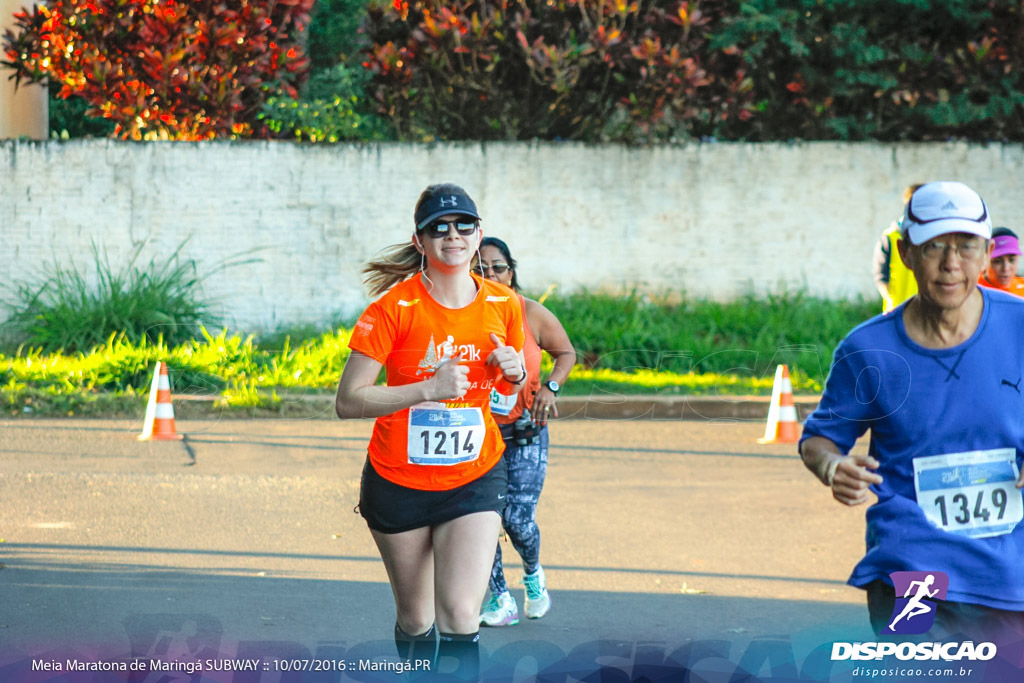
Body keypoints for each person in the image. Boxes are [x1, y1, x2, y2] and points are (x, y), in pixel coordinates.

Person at [800, 181, 1024, 639]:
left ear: (985, 256)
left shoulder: (1020, 325)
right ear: (905, 253)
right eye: (934, 247)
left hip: (1009, 572)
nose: (951, 264)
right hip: (911, 571)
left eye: (966, 248)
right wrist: (832, 466)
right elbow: (821, 440)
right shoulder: (867, 349)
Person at [335, 183, 527, 680]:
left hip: (474, 477)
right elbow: (348, 400)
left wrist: (518, 371)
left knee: (461, 615)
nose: (453, 235)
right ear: (420, 241)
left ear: (478, 233)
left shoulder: (504, 305)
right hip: (399, 481)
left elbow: (513, 380)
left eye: (464, 225)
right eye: (438, 228)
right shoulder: (392, 310)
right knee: (417, 618)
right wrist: (425, 389)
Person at [473, 237, 577, 627]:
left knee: (516, 518)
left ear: (511, 271)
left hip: (525, 434)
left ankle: (533, 577)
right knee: (478, 522)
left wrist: (551, 387)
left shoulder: (531, 314)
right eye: (479, 268)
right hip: (479, 437)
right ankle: (500, 599)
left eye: (496, 267)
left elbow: (566, 353)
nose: (488, 274)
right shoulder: (464, 314)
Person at [872, 183, 924, 313]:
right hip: (897, 311)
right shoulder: (890, 237)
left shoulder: (932, 237)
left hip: (926, 310)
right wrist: (891, 302)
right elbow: (880, 276)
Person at [978, 227, 1024, 297]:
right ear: (985, 260)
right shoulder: (973, 289)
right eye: (997, 261)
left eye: (1012, 260)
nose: (1005, 268)